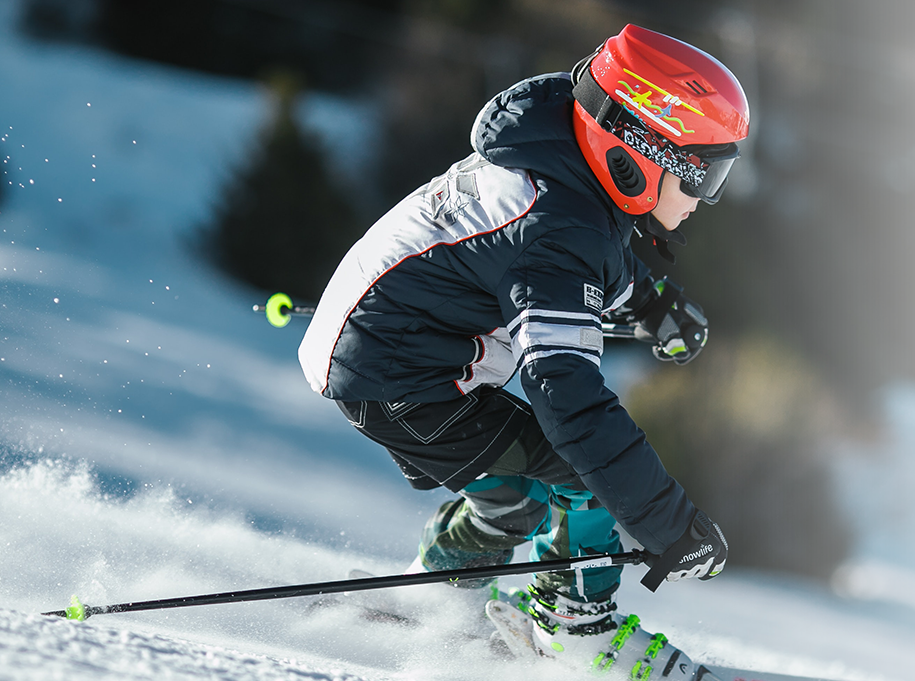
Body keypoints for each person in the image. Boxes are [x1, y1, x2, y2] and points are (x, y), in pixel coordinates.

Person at [298, 23, 749, 674]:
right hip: (398, 371)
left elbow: (584, 255)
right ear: (645, 153)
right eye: (705, 175)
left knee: (517, 493)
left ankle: (433, 598)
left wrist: (650, 302)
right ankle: (577, 630)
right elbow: (568, 400)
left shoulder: (561, 163)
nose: (709, 198)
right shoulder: (557, 229)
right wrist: (668, 525)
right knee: (583, 477)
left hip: (386, 349)